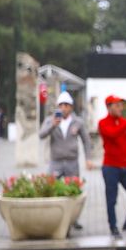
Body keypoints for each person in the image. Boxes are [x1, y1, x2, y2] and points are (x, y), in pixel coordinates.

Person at [39, 90, 93, 230]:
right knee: (50, 188)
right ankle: (52, 217)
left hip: (71, 161)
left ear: (71, 107)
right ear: (58, 106)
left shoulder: (78, 122)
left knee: (73, 190)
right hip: (56, 161)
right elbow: (41, 135)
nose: (63, 108)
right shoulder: (51, 120)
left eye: (66, 105)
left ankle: (73, 219)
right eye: (61, 105)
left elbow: (86, 141)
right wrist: (53, 125)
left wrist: (88, 159)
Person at [97, 94, 126, 239]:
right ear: (108, 107)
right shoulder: (103, 123)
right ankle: (113, 226)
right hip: (110, 167)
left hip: (124, 167)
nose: (120, 108)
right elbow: (112, 134)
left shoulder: (124, 123)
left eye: (121, 105)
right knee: (112, 199)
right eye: (116, 105)